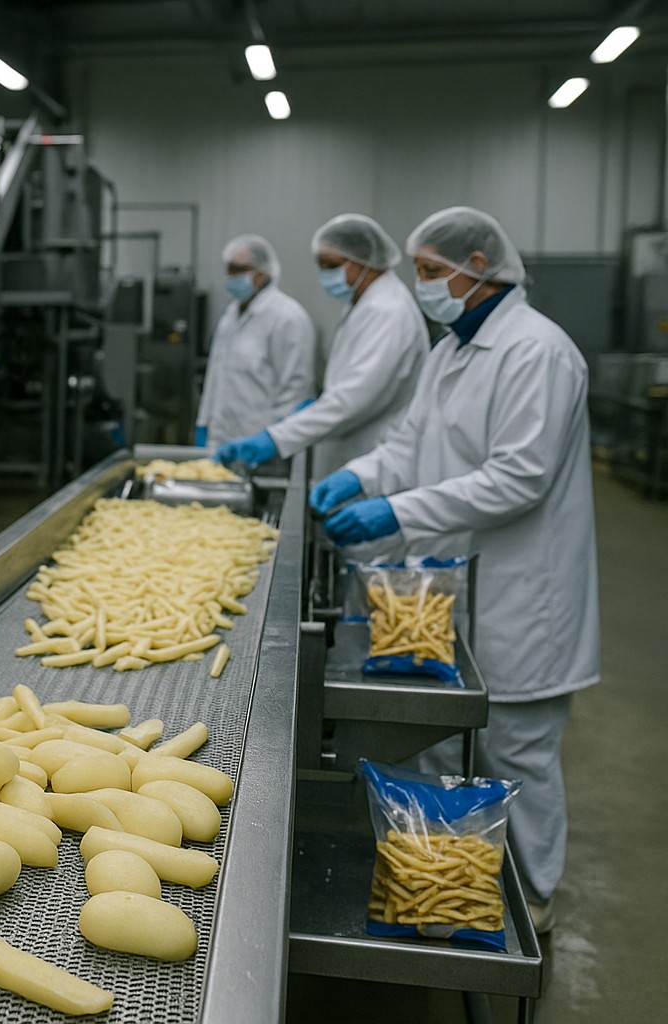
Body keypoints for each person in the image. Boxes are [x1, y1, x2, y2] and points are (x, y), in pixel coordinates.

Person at [312, 206, 600, 933]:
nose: (423, 285)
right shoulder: (450, 352)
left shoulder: (539, 351)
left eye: (432, 271)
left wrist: (396, 512)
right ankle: (452, 891)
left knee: (518, 753)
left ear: (479, 265)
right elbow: (406, 446)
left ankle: (533, 902)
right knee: (441, 738)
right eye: (419, 271)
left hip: (523, 600)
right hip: (445, 595)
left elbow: (518, 479)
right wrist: (359, 476)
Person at [215, 215, 426, 479]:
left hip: (373, 462)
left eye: (332, 265)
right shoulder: (364, 306)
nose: (325, 275)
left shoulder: (387, 312)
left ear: (364, 261)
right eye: (321, 266)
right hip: (350, 457)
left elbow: (351, 400)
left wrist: (276, 438)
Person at [194, 234, 315, 448]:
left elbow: (295, 390)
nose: (230, 277)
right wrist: (203, 422)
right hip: (220, 438)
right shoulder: (230, 315)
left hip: (260, 442)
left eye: (238, 270)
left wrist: (272, 439)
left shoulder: (287, 317)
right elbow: (216, 375)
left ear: (261, 273)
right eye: (229, 269)